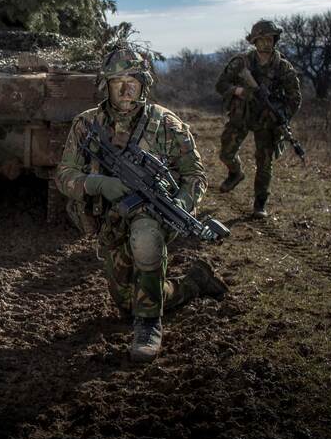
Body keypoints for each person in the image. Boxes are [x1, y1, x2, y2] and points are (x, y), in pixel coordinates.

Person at [55, 46, 228, 363]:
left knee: (146, 236)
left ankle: (149, 326)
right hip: (110, 221)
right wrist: (98, 184)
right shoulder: (86, 124)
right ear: (105, 85)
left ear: (144, 84)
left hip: (153, 216)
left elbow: (195, 175)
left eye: (132, 80)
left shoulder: (166, 124)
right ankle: (194, 282)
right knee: (128, 302)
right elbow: (63, 175)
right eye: (117, 80)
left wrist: (180, 202)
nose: (125, 88)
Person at [216, 19, 302, 218]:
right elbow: (220, 85)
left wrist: (282, 116)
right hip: (242, 114)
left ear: (275, 40)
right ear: (254, 41)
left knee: (264, 162)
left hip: (267, 120)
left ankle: (260, 203)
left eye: (270, 39)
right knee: (226, 153)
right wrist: (237, 90)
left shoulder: (283, 68)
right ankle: (235, 172)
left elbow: (295, 97)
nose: (266, 43)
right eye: (261, 39)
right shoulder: (241, 62)